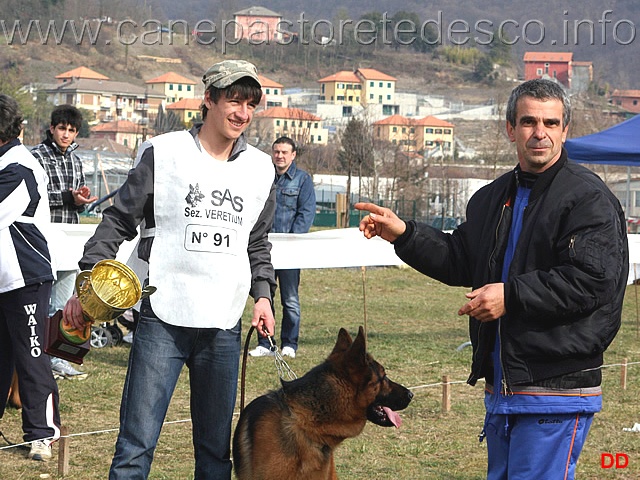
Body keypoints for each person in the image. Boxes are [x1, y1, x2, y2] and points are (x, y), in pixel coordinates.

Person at [355, 79, 628, 480]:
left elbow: (592, 281)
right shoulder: (490, 197)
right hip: (504, 385)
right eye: (529, 121)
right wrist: (405, 234)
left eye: (551, 123)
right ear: (510, 128)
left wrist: (511, 296)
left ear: (565, 130)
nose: (540, 133)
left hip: (557, 387)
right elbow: (459, 259)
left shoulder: (589, 199)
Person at [63, 59, 277, 479]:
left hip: (224, 323)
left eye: (250, 104)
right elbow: (118, 221)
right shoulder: (163, 153)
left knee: (215, 454)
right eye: (233, 101)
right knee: (135, 448)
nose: (242, 113)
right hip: (162, 318)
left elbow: (257, 241)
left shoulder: (261, 169)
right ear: (209, 100)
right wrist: (86, 282)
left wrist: (264, 294)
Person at [0, 93, 61, 461]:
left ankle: (42, 432)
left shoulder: (19, 167)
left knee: (31, 354)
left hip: (26, 276)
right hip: (2, 277)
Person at [31, 104, 96, 380]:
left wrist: (80, 200)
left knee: (65, 304)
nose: (66, 135)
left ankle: (60, 358)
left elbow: (77, 207)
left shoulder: (76, 161)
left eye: (71, 130)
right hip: (42, 239)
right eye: (61, 129)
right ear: (52, 128)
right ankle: (36, 360)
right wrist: (67, 197)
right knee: (40, 303)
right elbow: (36, 196)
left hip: (70, 240)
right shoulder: (35, 156)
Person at [249, 136, 315, 358]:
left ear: (293, 155)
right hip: (263, 251)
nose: (280, 156)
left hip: (290, 253)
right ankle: (266, 344)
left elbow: (306, 214)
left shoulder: (303, 180)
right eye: (276, 151)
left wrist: (292, 242)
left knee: (290, 300)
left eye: (284, 152)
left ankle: (289, 344)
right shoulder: (262, 178)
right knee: (264, 297)